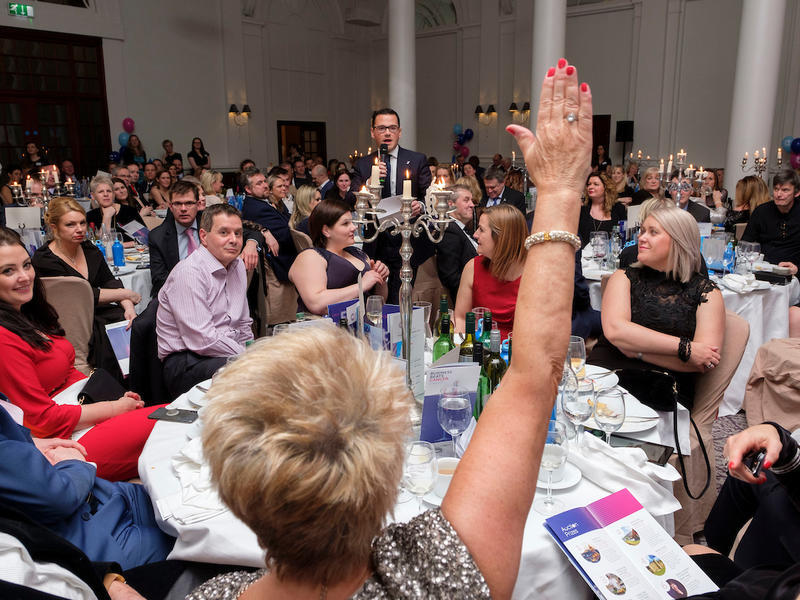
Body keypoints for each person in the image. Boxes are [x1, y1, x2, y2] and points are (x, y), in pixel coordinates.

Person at [186, 58, 593, 600]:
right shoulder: (436, 581)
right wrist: (562, 192)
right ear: (390, 479)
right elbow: (533, 375)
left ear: (234, 498)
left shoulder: (210, 594)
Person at [0, 227, 161, 481]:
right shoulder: (3, 338)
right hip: (65, 439)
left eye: (26, 265)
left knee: (178, 429)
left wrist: (105, 395)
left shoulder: (28, 314)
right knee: (180, 423)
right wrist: (113, 408)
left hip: (82, 412)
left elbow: (66, 371)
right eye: (8, 270)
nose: (24, 276)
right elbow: (41, 420)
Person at [0, 400, 174, 569]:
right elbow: (57, 496)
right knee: (171, 417)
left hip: (103, 494)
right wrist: (75, 463)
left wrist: (33, 441)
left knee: (175, 497)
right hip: (87, 538)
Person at [594, 204, 725, 411]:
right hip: (608, 372)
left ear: (678, 241)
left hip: (664, 388)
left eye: (653, 232)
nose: (642, 238)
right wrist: (685, 348)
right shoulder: (624, 277)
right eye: (643, 230)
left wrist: (635, 351)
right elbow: (616, 331)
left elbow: (702, 360)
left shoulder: (707, 292)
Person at [681, 422, 800, 599]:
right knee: (751, 466)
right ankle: (717, 542)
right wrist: (785, 449)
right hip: (760, 576)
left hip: (767, 578)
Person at [32, 198, 140, 380]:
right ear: (54, 227)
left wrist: (128, 307)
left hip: (97, 311)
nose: (80, 229)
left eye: (82, 222)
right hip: (68, 318)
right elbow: (81, 295)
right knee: (107, 328)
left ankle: (136, 382)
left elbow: (109, 281)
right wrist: (126, 293)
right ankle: (110, 385)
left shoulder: (89, 249)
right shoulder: (45, 259)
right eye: (70, 224)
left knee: (135, 323)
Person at [157, 204, 253, 398]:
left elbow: (243, 323)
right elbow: (203, 340)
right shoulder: (189, 273)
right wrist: (249, 356)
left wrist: (252, 349)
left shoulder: (237, 266)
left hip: (226, 352)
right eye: (224, 232)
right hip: (186, 362)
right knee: (256, 376)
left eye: (238, 233)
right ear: (203, 236)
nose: (233, 240)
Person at [289, 199, 389, 315]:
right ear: (326, 230)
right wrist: (361, 285)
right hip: (325, 330)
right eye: (345, 223)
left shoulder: (359, 254)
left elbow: (378, 301)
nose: (354, 228)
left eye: (352, 222)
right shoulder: (311, 256)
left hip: (364, 327)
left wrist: (380, 279)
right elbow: (316, 303)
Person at [454, 204, 528, 339]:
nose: (475, 235)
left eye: (481, 230)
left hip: (518, 352)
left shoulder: (532, 274)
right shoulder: (472, 268)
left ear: (501, 237)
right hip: (479, 349)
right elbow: (461, 318)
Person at [741, 169, 800, 276]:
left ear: (797, 193)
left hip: (794, 269)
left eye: (785, 190)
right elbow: (745, 243)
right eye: (776, 189)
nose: (778, 194)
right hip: (763, 268)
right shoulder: (762, 211)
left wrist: (797, 268)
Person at [241, 169, 296, 282]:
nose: (265, 185)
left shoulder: (262, 202)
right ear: (248, 189)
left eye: (265, 181)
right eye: (259, 183)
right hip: (281, 266)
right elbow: (286, 235)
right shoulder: (258, 208)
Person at [436, 184, 478, 300]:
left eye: (472, 200)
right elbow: (451, 277)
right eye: (466, 200)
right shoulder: (449, 230)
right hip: (466, 298)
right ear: (450, 204)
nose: (472, 205)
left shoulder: (461, 228)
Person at [85, 176, 148, 245]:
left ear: (113, 194)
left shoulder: (129, 211)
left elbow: (144, 238)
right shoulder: (90, 216)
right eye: (101, 192)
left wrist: (120, 245)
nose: (106, 194)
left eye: (109, 191)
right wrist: (107, 217)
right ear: (93, 196)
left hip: (134, 254)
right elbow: (98, 244)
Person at [578, 173, 627, 247]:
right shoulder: (582, 210)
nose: (590, 187)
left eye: (596, 184)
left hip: (611, 254)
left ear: (606, 187)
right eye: (589, 184)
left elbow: (623, 235)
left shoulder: (618, 209)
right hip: (586, 256)